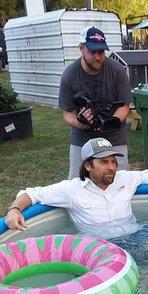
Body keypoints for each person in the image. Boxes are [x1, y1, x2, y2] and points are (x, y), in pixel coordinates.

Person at [5, 137, 148, 239]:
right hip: (103, 247)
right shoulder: (71, 190)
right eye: (104, 162)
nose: (112, 167)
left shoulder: (125, 178)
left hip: (136, 235)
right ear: (88, 166)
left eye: (113, 161)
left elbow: (146, 175)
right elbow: (32, 194)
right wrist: (14, 210)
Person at [59, 26, 131, 179]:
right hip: (82, 137)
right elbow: (67, 113)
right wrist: (82, 123)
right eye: (93, 52)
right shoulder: (70, 75)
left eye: (101, 52)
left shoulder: (117, 70)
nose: (98, 57)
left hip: (114, 136)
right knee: (76, 183)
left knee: (121, 181)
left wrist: (110, 122)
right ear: (81, 48)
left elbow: (124, 107)